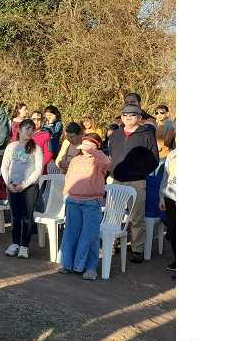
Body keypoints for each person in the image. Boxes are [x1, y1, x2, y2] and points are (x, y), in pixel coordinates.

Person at [107, 103, 160, 263]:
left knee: (137, 218)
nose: (128, 117)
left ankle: (138, 249)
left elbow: (154, 159)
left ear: (139, 117)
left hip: (136, 181)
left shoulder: (147, 134)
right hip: (117, 180)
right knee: (113, 216)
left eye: (132, 115)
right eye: (125, 115)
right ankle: (112, 244)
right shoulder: (115, 134)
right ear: (121, 117)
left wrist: (140, 172)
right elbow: (111, 154)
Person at [58, 133, 111, 280]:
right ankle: (68, 264)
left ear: (97, 146)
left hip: (92, 202)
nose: (86, 147)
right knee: (70, 234)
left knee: (90, 235)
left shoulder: (99, 160)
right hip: (73, 200)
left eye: (91, 144)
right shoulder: (75, 160)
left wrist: (93, 151)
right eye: (85, 144)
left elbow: (108, 164)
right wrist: (66, 195)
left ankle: (90, 268)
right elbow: (69, 178)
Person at [1, 119, 44, 259]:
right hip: (12, 186)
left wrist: (24, 185)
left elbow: (38, 170)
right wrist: (8, 183)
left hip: (29, 188)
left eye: (32, 129)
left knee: (27, 216)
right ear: (19, 130)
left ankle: (24, 246)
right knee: (15, 215)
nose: (30, 131)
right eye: (27, 128)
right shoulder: (11, 147)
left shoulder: (36, 148)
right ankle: (15, 243)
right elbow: (5, 166)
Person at [158, 133, 176, 274]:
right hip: (170, 197)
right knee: (173, 230)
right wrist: (161, 197)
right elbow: (165, 177)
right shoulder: (172, 155)